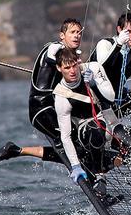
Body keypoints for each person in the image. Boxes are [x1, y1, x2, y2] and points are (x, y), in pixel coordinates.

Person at [0, 18, 84, 165]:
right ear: (62, 35)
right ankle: (86, 170)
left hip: (55, 106)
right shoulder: (56, 47)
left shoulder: (69, 57)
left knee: (82, 138)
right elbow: (51, 56)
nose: (77, 35)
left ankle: (17, 151)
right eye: (72, 32)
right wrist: (64, 64)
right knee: (71, 144)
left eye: (79, 32)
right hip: (41, 109)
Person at [51, 48, 125, 183]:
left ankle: (113, 161)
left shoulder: (93, 69)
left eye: (74, 65)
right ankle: (99, 175)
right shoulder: (61, 97)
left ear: (78, 62)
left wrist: (94, 84)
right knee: (97, 127)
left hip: (109, 121)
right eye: (67, 68)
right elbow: (65, 136)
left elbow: (110, 98)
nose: (72, 71)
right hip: (86, 131)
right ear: (59, 68)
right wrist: (75, 165)